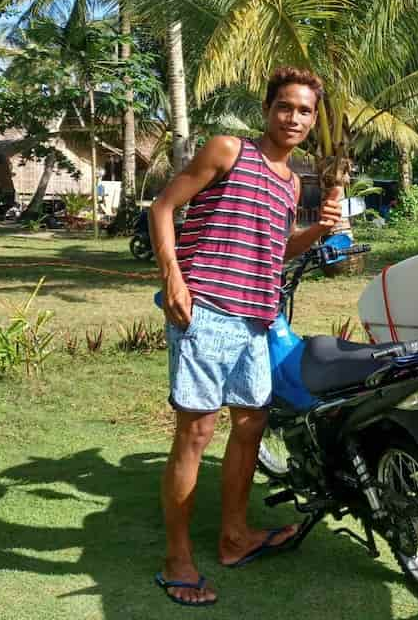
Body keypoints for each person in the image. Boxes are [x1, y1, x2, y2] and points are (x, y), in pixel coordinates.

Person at [146, 67, 342, 607]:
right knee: (197, 433)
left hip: (257, 319)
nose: (294, 118)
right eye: (285, 107)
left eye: (305, 111)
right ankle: (177, 560)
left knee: (252, 425)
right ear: (267, 109)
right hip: (205, 311)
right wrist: (172, 276)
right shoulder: (227, 150)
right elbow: (163, 208)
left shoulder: (292, 182)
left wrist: (319, 232)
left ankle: (234, 538)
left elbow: (274, 252)